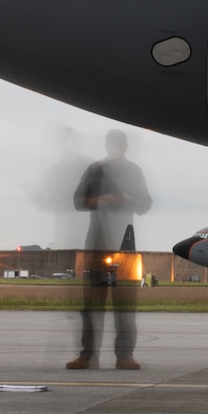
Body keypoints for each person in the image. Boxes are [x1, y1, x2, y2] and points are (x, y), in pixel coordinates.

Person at [68, 130, 152, 370]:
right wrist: (104, 199)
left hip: (125, 246)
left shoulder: (134, 171)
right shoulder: (95, 170)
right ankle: (87, 355)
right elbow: (78, 201)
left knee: (125, 303)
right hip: (97, 242)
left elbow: (146, 203)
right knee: (91, 304)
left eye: (118, 144)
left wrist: (128, 200)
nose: (115, 147)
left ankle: (125, 356)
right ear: (108, 145)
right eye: (112, 143)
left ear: (124, 146)